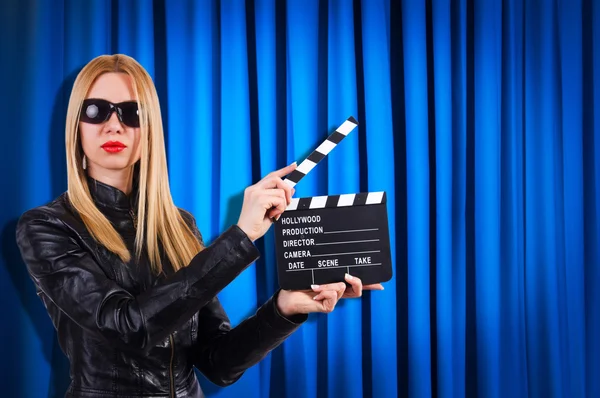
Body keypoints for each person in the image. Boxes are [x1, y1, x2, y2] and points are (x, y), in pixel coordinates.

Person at [16, 54, 382, 398]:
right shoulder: (47, 228)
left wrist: (284, 309)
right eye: (96, 111)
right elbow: (127, 326)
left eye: (132, 112)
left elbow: (217, 362)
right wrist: (241, 237)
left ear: (150, 130)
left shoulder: (179, 225)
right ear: (75, 127)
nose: (114, 125)